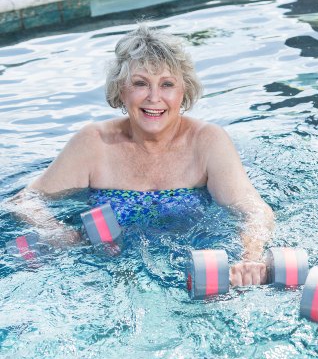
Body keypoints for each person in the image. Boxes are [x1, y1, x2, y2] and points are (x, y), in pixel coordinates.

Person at [9, 24, 274, 286]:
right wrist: (57, 232)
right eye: (140, 83)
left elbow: (255, 211)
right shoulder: (93, 143)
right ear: (121, 90)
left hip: (189, 268)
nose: (154, 97)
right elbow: (25, 200)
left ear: (184, 92)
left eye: (167, 84)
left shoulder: (207, 142)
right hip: (108, 271)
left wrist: (250, 258)